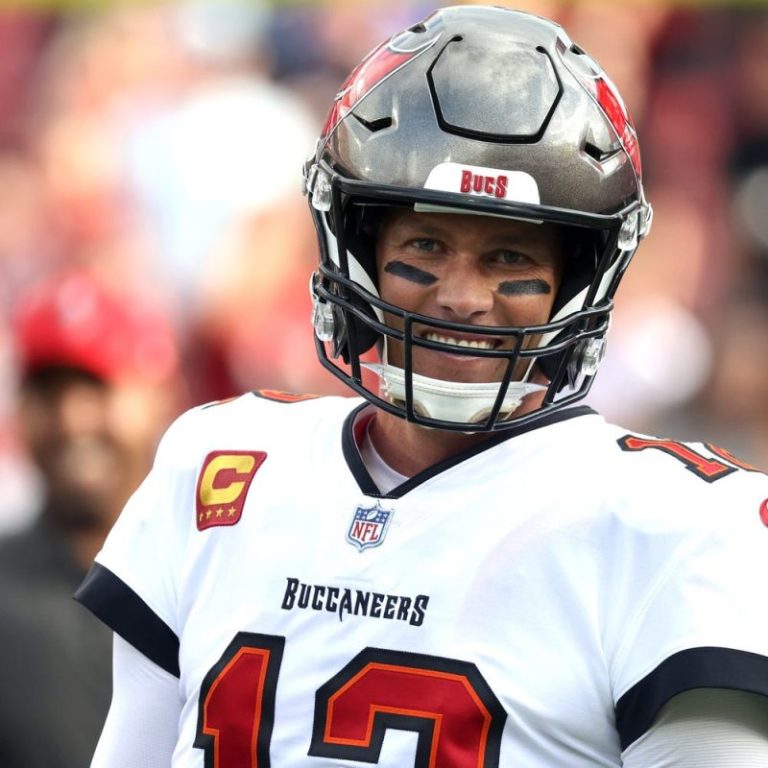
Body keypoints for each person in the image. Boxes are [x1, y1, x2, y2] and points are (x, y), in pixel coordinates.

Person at [76, 6, 768, 766]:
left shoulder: (674, 529)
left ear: (578, 280)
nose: (462, 296)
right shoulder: (222, 463)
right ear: (359, 249)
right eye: (426, 244)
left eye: (510, 257)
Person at [0, 269, 183, 768]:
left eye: (96, 387)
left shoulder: (210, 573)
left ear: (160, 393)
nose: (72, 420)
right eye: (49, 393)